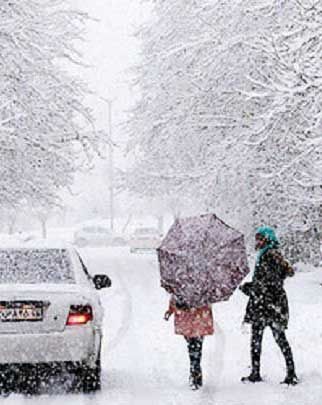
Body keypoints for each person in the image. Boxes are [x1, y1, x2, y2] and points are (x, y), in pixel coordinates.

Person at [239, 226, 298, 385]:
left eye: (260, 238)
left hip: (269, 304)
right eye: (257, 238)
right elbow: (266, 281)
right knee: (260, 338)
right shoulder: (266, 254)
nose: (257, 241)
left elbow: (270, 283)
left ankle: (290, 374)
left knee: (277, 339)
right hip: (267, 304)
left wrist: (250, 288)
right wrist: (252, 287)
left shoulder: (270, 256)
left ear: (268, 238)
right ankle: (256, 372)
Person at [163, 286, 214, 390]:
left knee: (193, 346)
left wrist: (171, 309)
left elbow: (176, 297)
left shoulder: (181, 280)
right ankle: (196, 371)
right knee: (196, 346)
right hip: (199, 318)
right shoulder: (204, 282)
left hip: (191, 318)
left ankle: (195, 372)